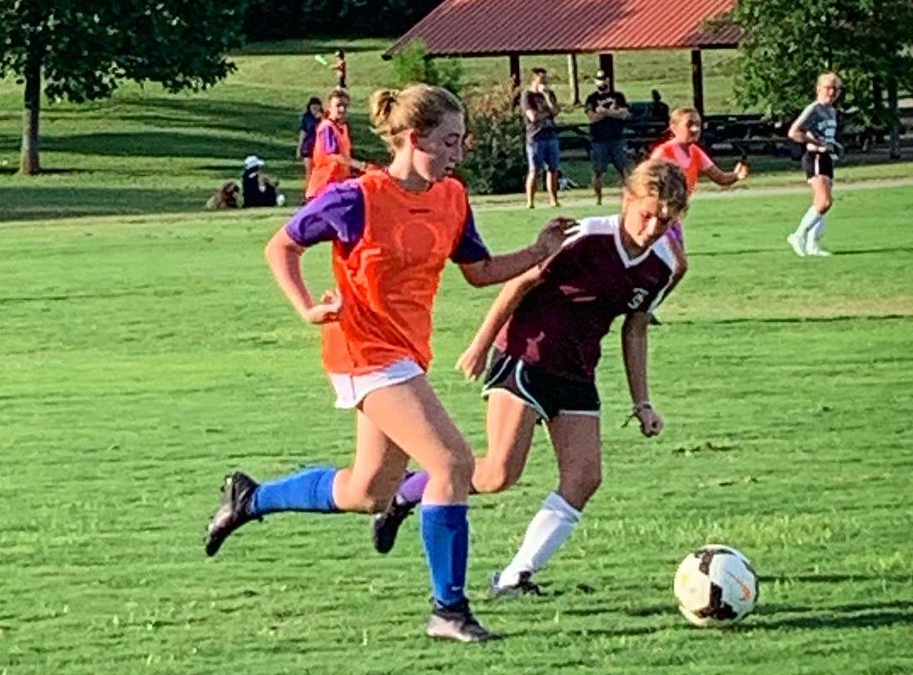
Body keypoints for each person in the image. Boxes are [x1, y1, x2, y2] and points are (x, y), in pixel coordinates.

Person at [202, 83, 573, 643]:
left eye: (461, 141)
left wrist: (537, 252)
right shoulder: (356, 198)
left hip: (405, 354)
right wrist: (306, 308)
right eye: (449, 141)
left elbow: (477, 270)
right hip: (362, 351)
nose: (458, 152)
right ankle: (449, 610)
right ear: (414, 137)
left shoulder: (451, 198)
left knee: (369, 491)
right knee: (450, 463)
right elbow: (281, 246)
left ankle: (251, 499)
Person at [370, 159, 690, 602]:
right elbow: (517, 285)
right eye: (646, 213)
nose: (654, 226)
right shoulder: (583, 238)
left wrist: (643, 402)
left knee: (585, 477)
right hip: (525, 355)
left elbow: (635, 327)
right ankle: (407, 492)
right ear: (626, 200)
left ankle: (515, 576)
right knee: (499, 474)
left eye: (666, 219)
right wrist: (480, 346)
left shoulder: (666, 265)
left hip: (578, 370)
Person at [648, 107, 748, 293]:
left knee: (675, 269)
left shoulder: (695, 152)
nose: (695, 129)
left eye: (698, 125)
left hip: (674, 218)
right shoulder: (664, 153)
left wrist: (736, 176)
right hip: (657, 218)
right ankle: (645, 305)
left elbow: (719, 178)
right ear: (674, 127)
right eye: (689, 124)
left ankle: (647, 304)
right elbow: (646, 182)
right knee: (677, 266)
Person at [786, 72, 843, 257]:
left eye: (835, 88)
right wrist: (819, 145)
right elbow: (794, 132)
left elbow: (827, 136)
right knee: (824, 201)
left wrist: (834, 146)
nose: (832, 92)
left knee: (824, 204)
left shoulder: (832, 111)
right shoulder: (814, 109)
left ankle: (812, 244)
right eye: (828, 87)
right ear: (819, 89)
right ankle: (798, 235)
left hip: (826, 158)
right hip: (815, 157)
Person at [305, 88, 363, 200]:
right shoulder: (327, 127)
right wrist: (360, 165)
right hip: (323, 188)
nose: (342, 109)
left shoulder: (343, 128)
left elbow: (346, 155)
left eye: (345, 106)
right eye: (338, 105)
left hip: (337, 187)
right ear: (329, 107)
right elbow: (333, 154)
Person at [584, 69, 630, 204]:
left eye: (604, 78)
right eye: (599, 79)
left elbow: (624, 114)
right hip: (599, 140)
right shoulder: (591, 98)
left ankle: (627, 197)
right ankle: (598, 199)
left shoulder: (618, 96)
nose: (601, 81)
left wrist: (605, 112)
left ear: (608, 80)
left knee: (624, 169)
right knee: (598, 171)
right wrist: (612, 112)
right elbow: (592, 118)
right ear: (595, 81)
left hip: (617, 138)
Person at [521, 67, 561, 209]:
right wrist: (547, 113)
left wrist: (547, 98)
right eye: (541, 79)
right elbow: (533, 117)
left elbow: (556, 111)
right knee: (534, 170)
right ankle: (530, 201)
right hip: (536, 137)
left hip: (551, 136)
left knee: (553, 169)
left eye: (545, 79)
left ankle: (553, 200)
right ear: (534, 79)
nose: (544, 82)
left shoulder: (549, 94)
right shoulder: (527, 96)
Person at [297, 97, 323, 184]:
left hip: (320, 147)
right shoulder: (306, 117)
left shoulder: (324, 117)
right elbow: (303, 132)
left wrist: (321, 118)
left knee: (319, 171)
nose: (315, 107)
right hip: (308, 146)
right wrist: (299, 148)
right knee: (309, 171)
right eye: (313, 105)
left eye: (317, 105)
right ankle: (309, 191)